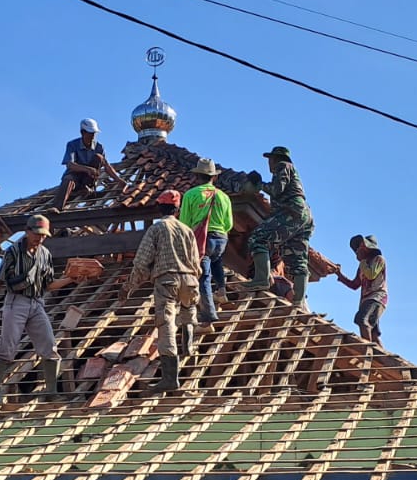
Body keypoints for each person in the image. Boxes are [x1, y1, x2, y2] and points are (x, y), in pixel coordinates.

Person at [0, 214, 69, 405]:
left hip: (36, 302)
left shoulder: (45, 254)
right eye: (37, 234)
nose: (40, 238)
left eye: (43, 235)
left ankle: (51, 391)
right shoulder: (13, 252)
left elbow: (49, 284)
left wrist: (72, 278)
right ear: (27, 231)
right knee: (7, 348)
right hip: (16, 301)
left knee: (50, 346)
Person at [125, 188, 201, 393]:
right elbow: (196, 261)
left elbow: (142, 261)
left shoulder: (157, 229)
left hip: (167, 279)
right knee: (188, 308)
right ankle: (189, 346)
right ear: (177, 209)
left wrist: (129, 286)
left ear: (160, 207)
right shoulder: (187, 230)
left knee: (165, 322)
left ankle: (170, 377)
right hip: (190, 278)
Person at [246, 146, 315, 310]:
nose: (269, 163)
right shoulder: (291, 171)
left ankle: (261, 279)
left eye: (270, 159)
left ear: (275, 159)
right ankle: (298, 300)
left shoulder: (283, 166)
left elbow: (277, 190)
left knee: (258, 239)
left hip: (291, 213)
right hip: (304, 216)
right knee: (297, 257)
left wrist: (260, 184)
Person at [178, 158, 233, 324]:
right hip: (221, 238)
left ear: (197, 176)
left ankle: (208, 315)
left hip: (203, 239)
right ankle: (222, 291)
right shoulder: (224, 197)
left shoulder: (191, 195)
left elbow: (185, 223)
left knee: (204, 276)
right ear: (213, 177)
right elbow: (229, 223)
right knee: (217, 260)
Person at [55, 118, 125, 210]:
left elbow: (106, 166)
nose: (93, 136)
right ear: (83, 132)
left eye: (94, 133)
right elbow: (70, 165)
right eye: (90, 133)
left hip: (88, 179)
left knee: (99, 157)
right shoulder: (72, 145)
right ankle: (57, 207)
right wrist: (87, 169)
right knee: (68, 180)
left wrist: (118, 180)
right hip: (74, 176)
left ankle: (86, 187)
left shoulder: (99, 147)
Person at [335, 235, 388, 345]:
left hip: (377, 297)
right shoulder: (362, 266)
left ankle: (367, 349)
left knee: (362, 319)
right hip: (366, 299)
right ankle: (380, 355)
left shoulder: (378, 259)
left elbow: (371, 274)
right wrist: (340, 275)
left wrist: (362, 261)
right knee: (372, 332)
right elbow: (355, 284)